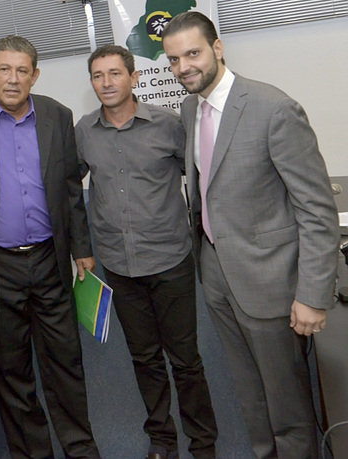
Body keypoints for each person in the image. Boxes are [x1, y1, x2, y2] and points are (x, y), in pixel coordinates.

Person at [161, 11, 339, 458]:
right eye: (174, 59)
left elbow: (316, 210)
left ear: (218, 48)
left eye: (193, 53)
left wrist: (313, 294)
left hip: (270, 279)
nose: (183, 67)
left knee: (287, 402)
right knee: (249, 393)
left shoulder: (272, 108)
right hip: (217, 273)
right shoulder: (190, 108)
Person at [0, 35, 100, 459]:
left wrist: (81, 247)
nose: (12, 79)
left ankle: (80, 448)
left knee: (65, 361)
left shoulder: (56, 115)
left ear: (35, 75)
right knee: (11, 370)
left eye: (22, 71)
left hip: (50, 259)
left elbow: (70, 187)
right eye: (4, 69)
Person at [75, 45, 218, 459]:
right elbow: (68, 190)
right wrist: (80, 246)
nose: (106, 83)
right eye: (98, 76)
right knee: (144, 359)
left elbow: (204, 177)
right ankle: (162, 439)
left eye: (115, 73)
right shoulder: (83, 132)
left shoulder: (169, 125)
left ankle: (203, 442)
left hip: (170, 259)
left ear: (134, 78)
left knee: (185, 360)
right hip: (119, 264)